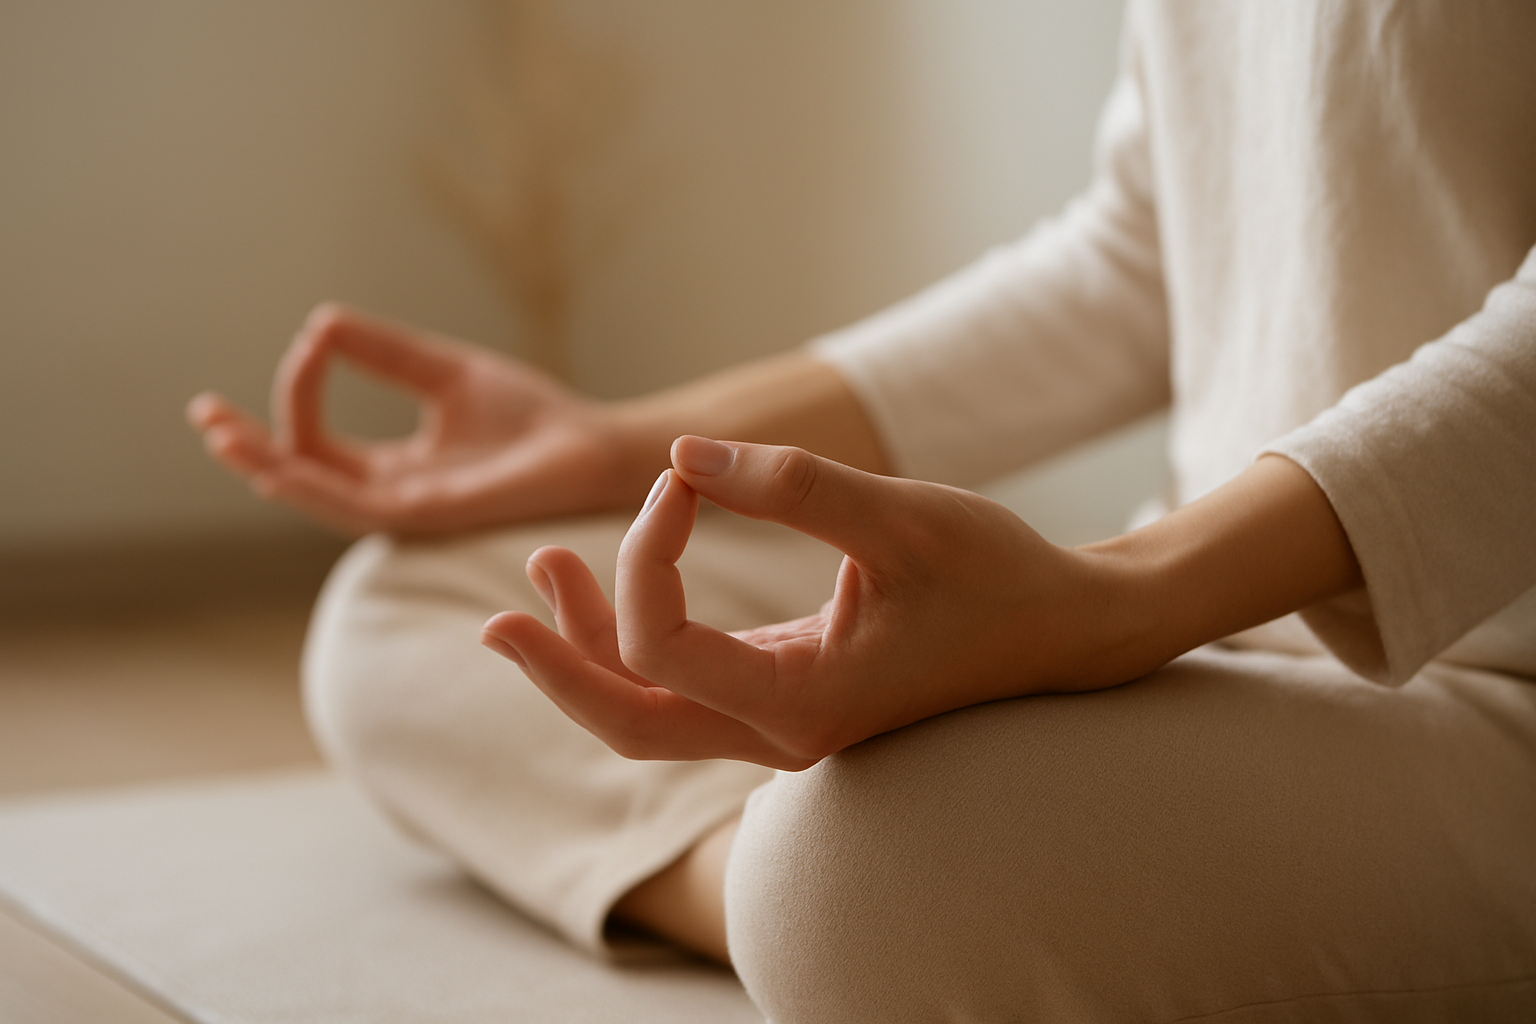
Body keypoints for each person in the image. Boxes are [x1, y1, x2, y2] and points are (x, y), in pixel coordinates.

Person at [190, 3, 1536, 1020]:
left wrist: (1124, 600)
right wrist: (613, 447)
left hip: (1492, 688)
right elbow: (1137, 254)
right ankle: (787, 901)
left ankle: (815, 898)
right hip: (1210, 623)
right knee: (420, 602)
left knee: (860, 872)